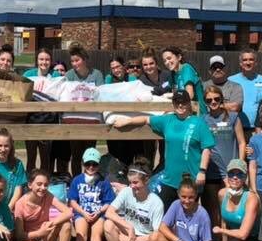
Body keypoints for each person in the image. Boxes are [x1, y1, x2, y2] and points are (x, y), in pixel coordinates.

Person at [112, 90, 215, 208]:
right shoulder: (167, 120)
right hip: (170, 179)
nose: (180, 105)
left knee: (188, 216)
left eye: (183, 102)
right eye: (177, 102)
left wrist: (202, 171)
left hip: (190, 180)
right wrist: (127, 121)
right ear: (173, 104)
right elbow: (146, 119)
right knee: (165, 216)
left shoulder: (199, 123)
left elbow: (207, 149)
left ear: (189, 103)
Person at [103, 158, 165, 241]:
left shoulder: (156, 203)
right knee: (108, 224)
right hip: (130, 233)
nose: (132, 186)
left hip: (147, 240)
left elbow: (157, 234)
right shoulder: (126, 192)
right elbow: (109, 212)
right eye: (130, 182)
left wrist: (135, 240)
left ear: (146, 180)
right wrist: (128, 227)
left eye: (135, 182)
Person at [13, 169, 73, 241]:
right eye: (39, 184)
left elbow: (68, 212)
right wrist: (39, 233)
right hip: (28, 240)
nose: (43, 188)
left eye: (46, 185)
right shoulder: (20, 204)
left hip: (45, 240)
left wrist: (52, 223)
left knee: (66, 224)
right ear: (30, 185)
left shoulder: (48, 196)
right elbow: (19, 234)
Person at [67, 147, 115, 241]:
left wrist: (99, 211)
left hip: (98, 213)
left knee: (96, 236)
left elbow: (108, 201)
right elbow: (72, 201)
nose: (91, 167)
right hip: (81, 212)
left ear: (99, 164)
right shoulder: (77, 180)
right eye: (88, 164)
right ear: (83, 164)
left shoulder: (103, 181)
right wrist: (83, 213)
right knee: (81, 236)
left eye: (94, 164)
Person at [211, 159, 261, 241]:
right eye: (231, 173)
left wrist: (222, 232)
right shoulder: (222, 194)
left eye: (240, 174)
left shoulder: (251, 198)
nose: (235, 177)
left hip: (254, 240)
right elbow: (224, 222)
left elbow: (243, 234)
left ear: (245, 178)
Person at [201, 85, 245, 226]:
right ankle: (215, 238)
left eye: (216, 99)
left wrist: (241, 165)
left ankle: (232, 239)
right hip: (212, 170)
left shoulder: (233, 117)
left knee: (232, 206)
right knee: (212, 206)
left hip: (231, 169)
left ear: (221, 99)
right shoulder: (203, 120)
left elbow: (242, 142)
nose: (213, 102)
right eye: (209, 100)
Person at [65, 43, 104, 175]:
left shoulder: (96, 75)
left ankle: (90, 179)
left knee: (90, 154)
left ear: (85, 59)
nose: (74, 64)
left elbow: (101, 95)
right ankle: (76, 181)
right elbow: (67, 95)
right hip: (74, 120)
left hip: (91, 120)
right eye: (72, 61)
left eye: (77, 60)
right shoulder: (69, 75)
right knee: (75, 154)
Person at [24, 48, 60, 172]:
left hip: (48, 120)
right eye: (41, 59)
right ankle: (29, 183)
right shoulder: (28, 74)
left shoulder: (56, 76)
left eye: (47, 59)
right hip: (31, 119)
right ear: (37, 60)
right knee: (31, 156)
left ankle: (45, 185)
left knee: (46, 157)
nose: (44, 62)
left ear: (51, 61)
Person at [229, 48, 262, 132]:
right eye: (245, 60)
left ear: (256, 63)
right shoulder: (231, 81)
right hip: (236, 128)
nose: (248, 62)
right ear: (240, 63)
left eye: (251, 60)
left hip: (259, 128)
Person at [161, 45, 205, 114]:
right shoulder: (172, 74)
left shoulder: (186, 68)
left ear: (179, 57)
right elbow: (173, 93)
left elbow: (189, 95)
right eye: (164, 61)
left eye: (169, 58)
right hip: (184, 113)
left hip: (198, 114)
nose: (167, 62)